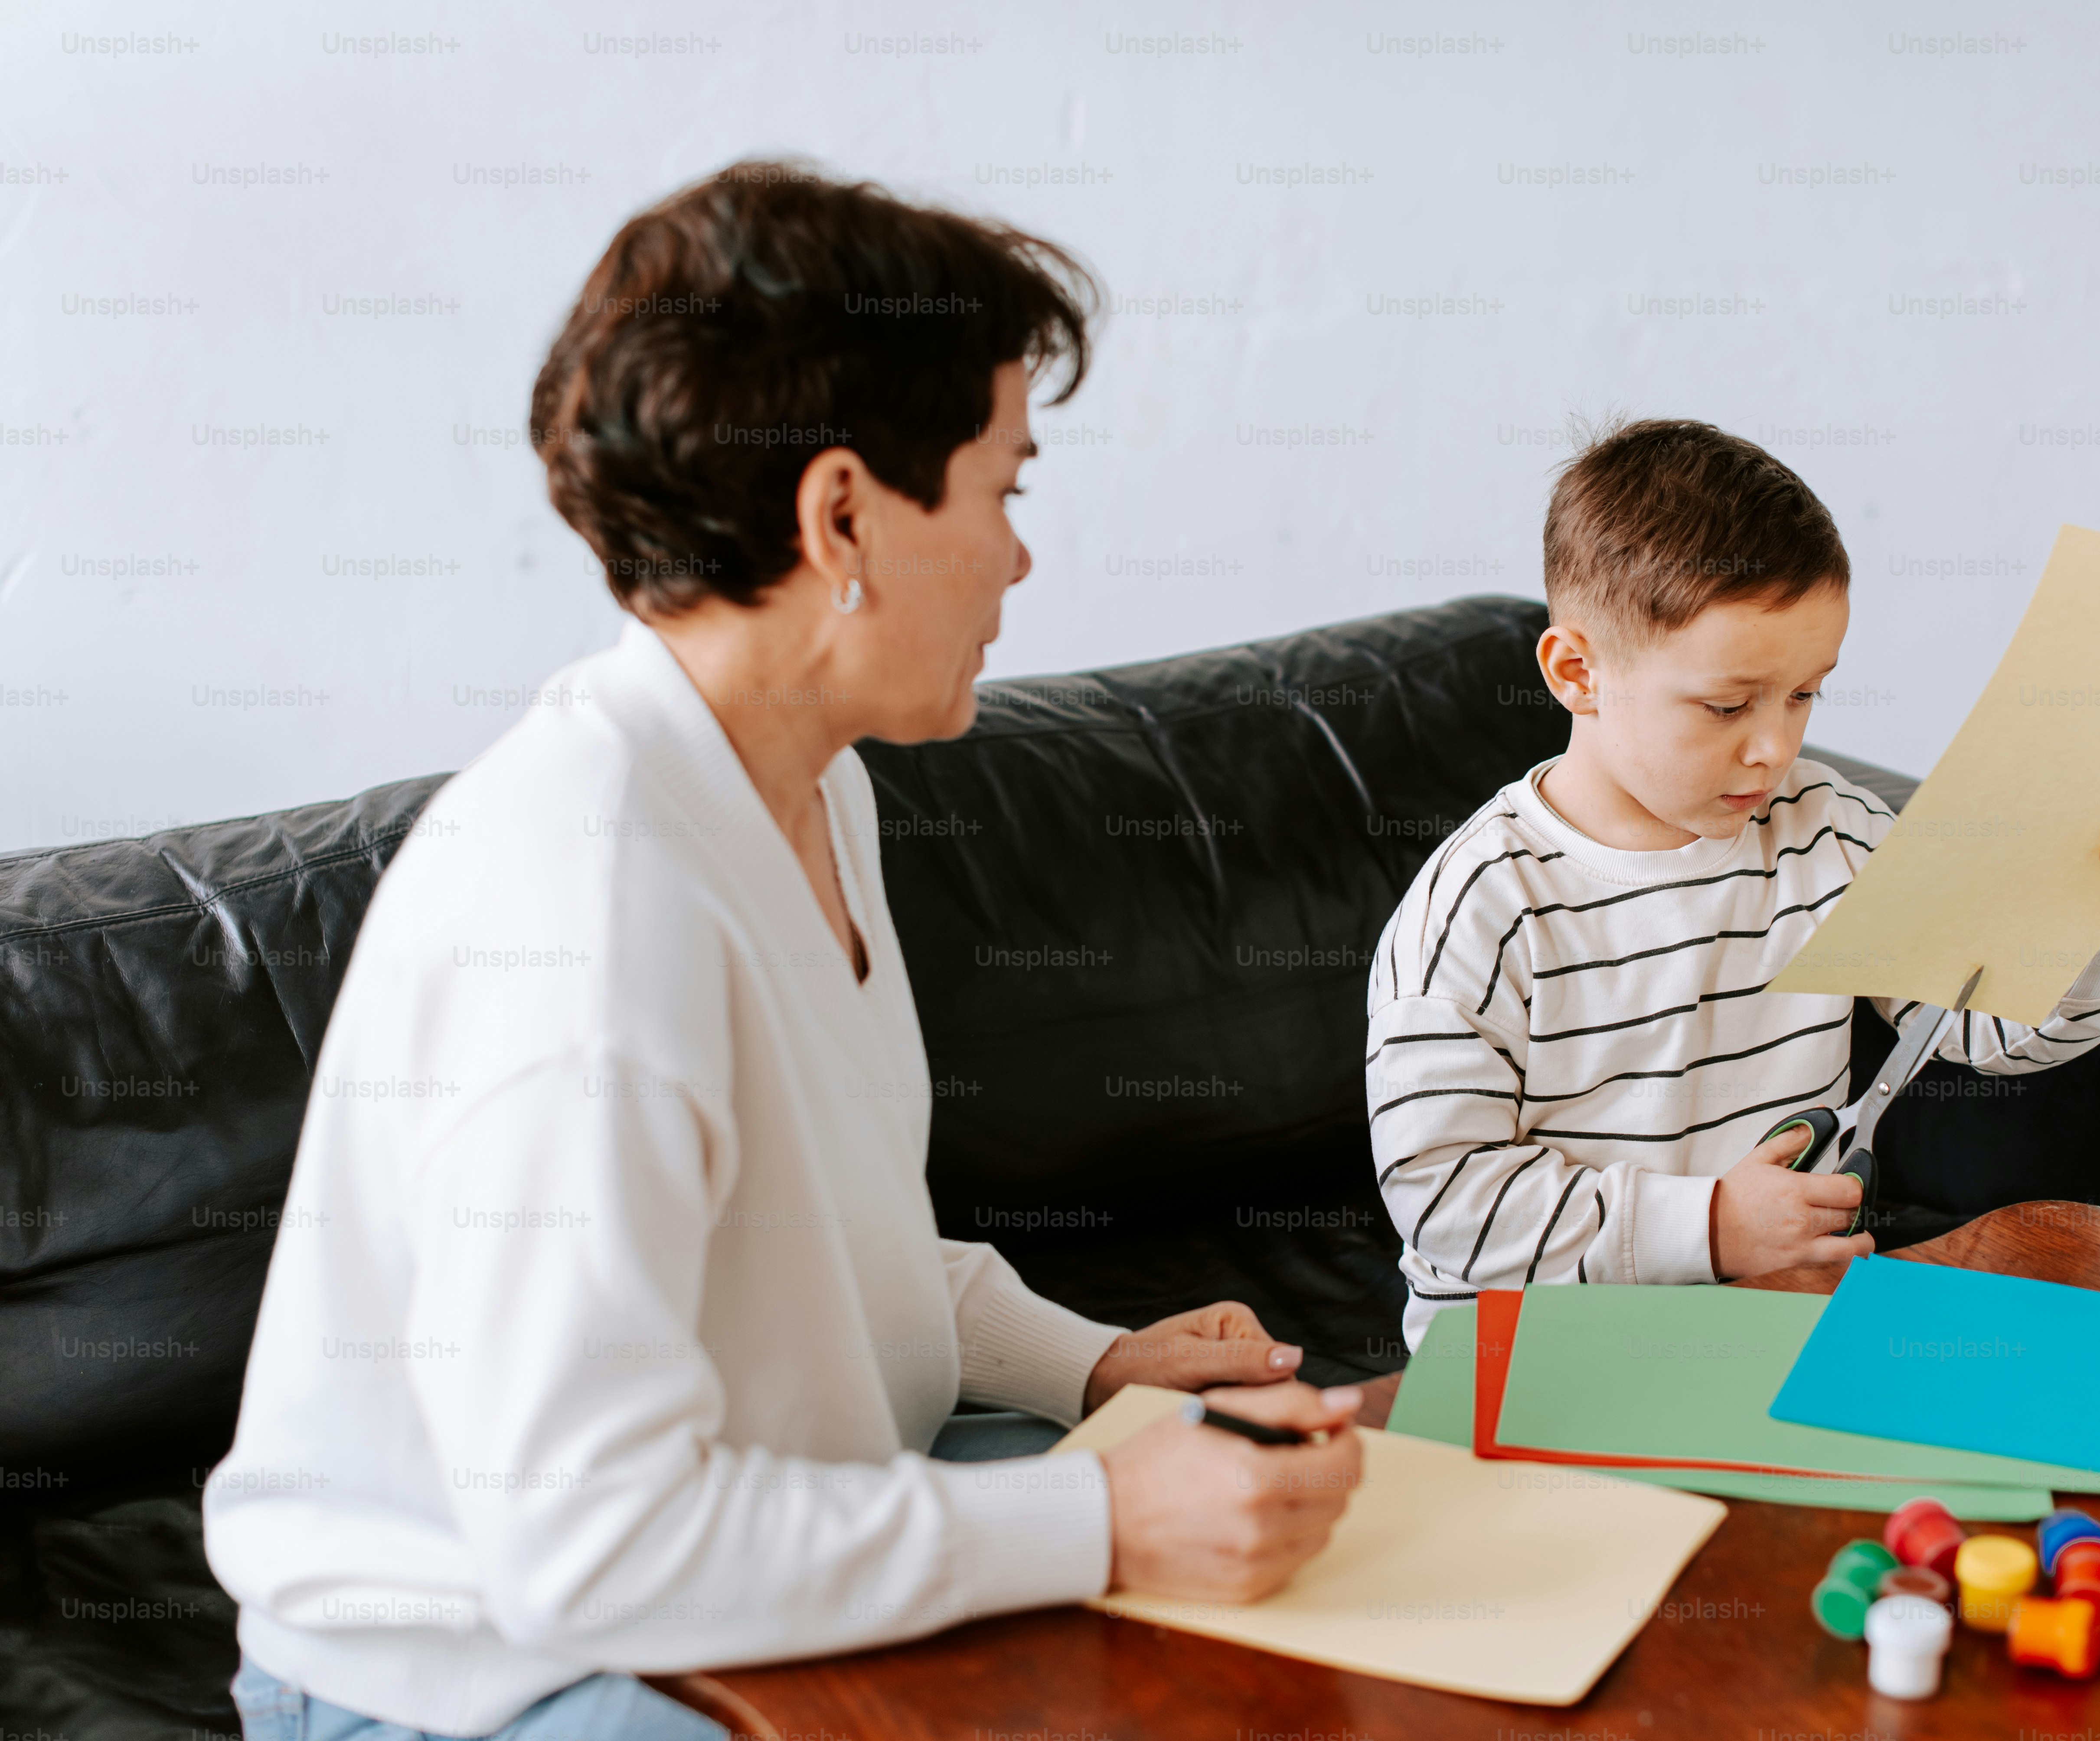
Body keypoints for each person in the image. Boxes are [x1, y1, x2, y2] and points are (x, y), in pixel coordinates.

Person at [203, 160, 1361, 1741]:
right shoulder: (591, 902)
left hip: (748, 1542)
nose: (1019, 558)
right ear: (841, 514)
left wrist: (1099, 1368)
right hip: (480, 1672)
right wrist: (1105, 1519)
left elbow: (838, 1253)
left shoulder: (813, 789)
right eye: (1003, 488)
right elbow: (588, 1547)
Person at [1365, 420, 2100, 1348]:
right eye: (1726, 705)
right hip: (1534, 1360)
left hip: (1772, 1331)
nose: (1774, 747)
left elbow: (1987, 1028)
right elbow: (1444, 1200)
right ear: (1578, 672)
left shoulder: (1826, 827)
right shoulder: (1482, 909)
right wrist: (1713, 1226)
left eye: (1805, 693)